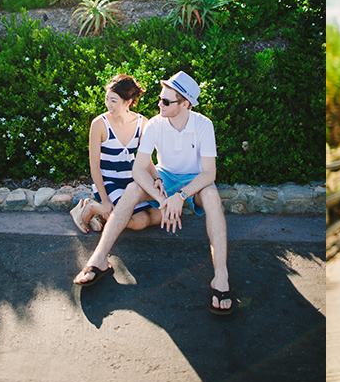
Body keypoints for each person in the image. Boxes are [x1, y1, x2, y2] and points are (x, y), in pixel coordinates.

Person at [73, 71, 233, 316]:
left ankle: (220, 276)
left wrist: (179, 197)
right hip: (165, 176)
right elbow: (139, 169)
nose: (160, 104)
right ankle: (99, 258)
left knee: (211, 196)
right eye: (160, 98)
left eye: (166, 102)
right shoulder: (155, 124)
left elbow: (209, 174)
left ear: (185, 104)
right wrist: (162, 199)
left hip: (194, 180)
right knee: (134, 188)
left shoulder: (203, 124)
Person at [69, 74, 164, 234]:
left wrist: (157, 179)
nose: (108, 105)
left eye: (114, 101)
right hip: (109, 182)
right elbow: (94, 166)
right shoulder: (99, 124)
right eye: (107, 99)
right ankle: (92, 207)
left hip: (131, 181)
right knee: (140, 221)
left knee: (158, 215)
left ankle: (103, 216)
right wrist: (105, 201)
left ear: (128, 102)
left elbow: (145, 160)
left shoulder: (142, 123)